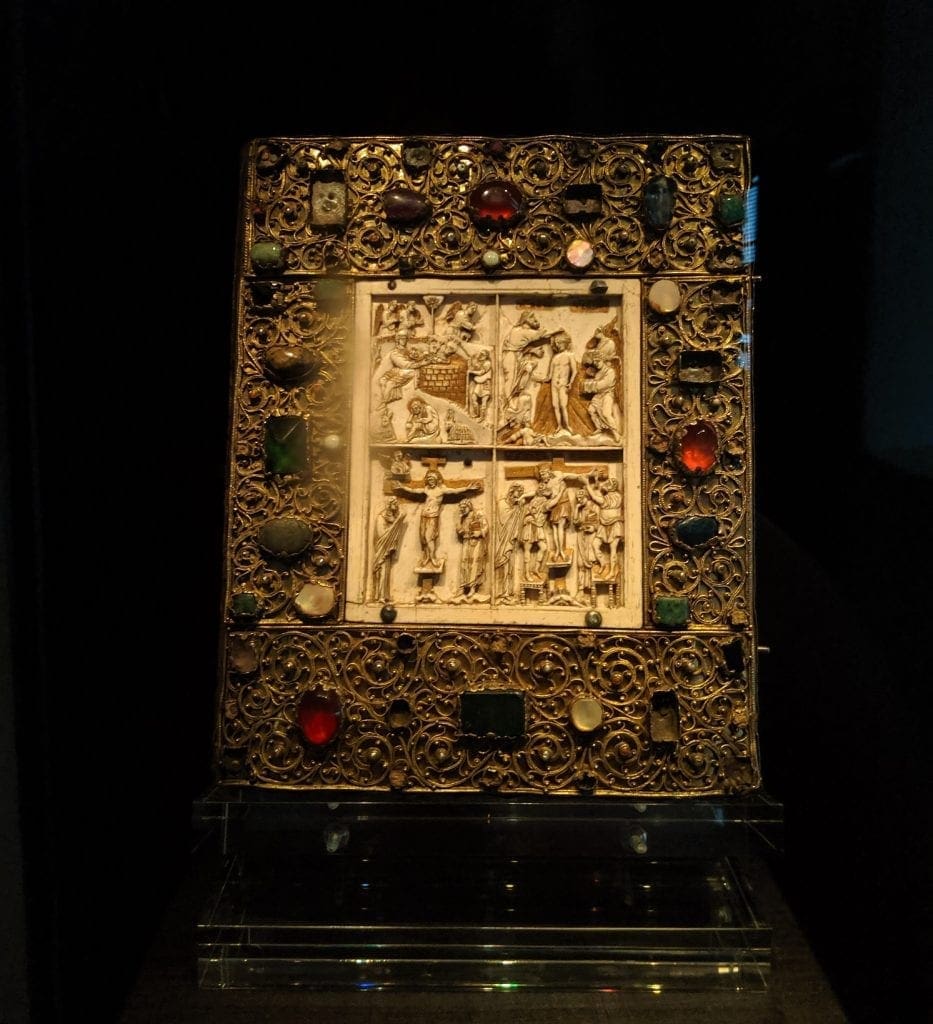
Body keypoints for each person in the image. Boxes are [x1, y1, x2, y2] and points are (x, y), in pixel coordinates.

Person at [394, 470, 482, 568]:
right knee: (423, 538)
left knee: (429, 538)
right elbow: (414, 490)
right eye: (429, 480)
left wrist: (467, 488)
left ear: (436, 480)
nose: (430, 481)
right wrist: (402, 487)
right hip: (424, 515)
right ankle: (427, 557)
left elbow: (455, 491)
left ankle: (433, 558)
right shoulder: (427, 489)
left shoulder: (441, 490)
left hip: (433, 516)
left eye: (432, 479)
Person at [371, 498, 406, 602]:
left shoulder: (391, 517)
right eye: (395, 504)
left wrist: (397, 521)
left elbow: (400, 517)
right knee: (381, 570)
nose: (397, 505)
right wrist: (394, 526)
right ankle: (379, 596)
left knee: (386, 571)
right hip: (382, 547)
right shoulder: (381, 517)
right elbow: (381, 534)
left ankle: (384, 595)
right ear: (389, 505)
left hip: (387, 547)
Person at [455, 499, 489, 600]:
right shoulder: (463, 517)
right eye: (461, 508)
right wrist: (459, 519)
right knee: (464, 564)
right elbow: (459, 531)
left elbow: (486, 527)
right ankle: (463, 587)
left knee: (474, 564)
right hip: (466, 541)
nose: (462, 510)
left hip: (476, 542)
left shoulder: (478, 514)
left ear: (469, 506)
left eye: (464, 508)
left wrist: (480, 532)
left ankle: (472, 588)